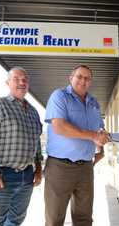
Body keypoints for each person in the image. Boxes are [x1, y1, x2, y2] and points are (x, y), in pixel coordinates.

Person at [44, 65, 109, 226]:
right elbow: (59, 126)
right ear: (70, 78)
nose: (83, 80)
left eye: (87, 78)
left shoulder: (94, 103)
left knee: (84, 218)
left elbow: (100, 129)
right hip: (60, 167)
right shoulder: (59, 96)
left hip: (85, 168)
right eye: (79, 76)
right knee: (54, 219)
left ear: (90, 82)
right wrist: (93, 136)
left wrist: (101, 149)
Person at [0, 67, 43, 226]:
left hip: (27, 177)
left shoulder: (33, 112)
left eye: (25, 79)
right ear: (8, 83)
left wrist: (38, 171)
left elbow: (37, 145)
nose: (22, 82)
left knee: (15, 221)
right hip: (2, 175)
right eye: (17, 79)